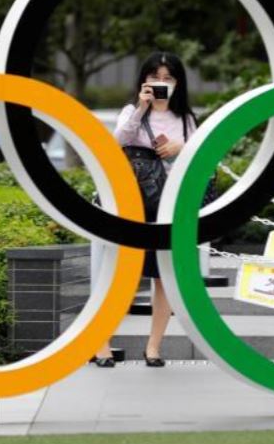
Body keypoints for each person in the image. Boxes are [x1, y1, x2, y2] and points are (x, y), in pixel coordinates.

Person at [93, 51, 198, 368]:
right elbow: (117, 141)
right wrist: (142, 107)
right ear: (143, 80)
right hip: (129, 201)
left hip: (167, 204)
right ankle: (101, 344)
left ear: (178, 83)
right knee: (118, 273)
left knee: (162, 276)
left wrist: (181, 147)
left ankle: (153, 347)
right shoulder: (132, 111)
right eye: (155, 77)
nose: (161, 83)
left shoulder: (186, 119)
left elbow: (201, 157)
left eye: (168, 78)